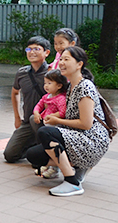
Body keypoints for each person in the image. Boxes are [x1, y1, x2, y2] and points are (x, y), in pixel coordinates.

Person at [25, 46, 110, 197]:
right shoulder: (71, 86)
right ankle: (78, 166)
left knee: (45, 133)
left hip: (91, 140)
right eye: (61, 59)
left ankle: (72, 182)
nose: (62, 63)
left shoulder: (85, 87)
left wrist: (57, 120)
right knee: (33, 155)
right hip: (76, 136)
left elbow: (86, 124)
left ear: (79, 64)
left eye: (66, 59)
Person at [3, 36, 51, 163]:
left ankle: (42, 151)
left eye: (36, 49)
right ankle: (34, 146)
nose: (32, 52)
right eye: (28, 49)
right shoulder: (22, 72)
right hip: (27, 122)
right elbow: (15, 92)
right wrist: (17, 118)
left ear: (46, 52)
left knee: (38, 159)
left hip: (47, 122)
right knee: (10, 155)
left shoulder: (52, 73)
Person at [30, 69, 68, 179]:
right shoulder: (46, 96)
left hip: (55, 128)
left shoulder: (61, 98)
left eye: (49, 83)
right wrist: (36, 113)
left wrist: (52, 116)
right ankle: (46, 165)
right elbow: (38, 105)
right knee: (45, 146)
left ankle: (54, 169)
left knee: (52, 148)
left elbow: (62, 112)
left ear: (59, 85)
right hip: (46, 126)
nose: (46, 86)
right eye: (45, 83)